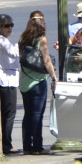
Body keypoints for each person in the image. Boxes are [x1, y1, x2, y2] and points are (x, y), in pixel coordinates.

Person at [18, 14, 58, 155]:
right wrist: (54, 76)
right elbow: (46, 61)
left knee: (28, 114)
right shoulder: (42, 40)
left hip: (24, 81)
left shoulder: (23, 39)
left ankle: (27, 146)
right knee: (37, 114)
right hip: (38, 81)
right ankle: (37, 146)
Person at [0, 14, 20, 155]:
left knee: (6, 113)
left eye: (11, 25)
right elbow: (13, 53)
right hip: (6, 80)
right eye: (6, 25)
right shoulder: (1, 40)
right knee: (9, 113)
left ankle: (4, 142)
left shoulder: (0, 40)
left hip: (7, 79)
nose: (9, 28)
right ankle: (6, 144)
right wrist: (20, 45)